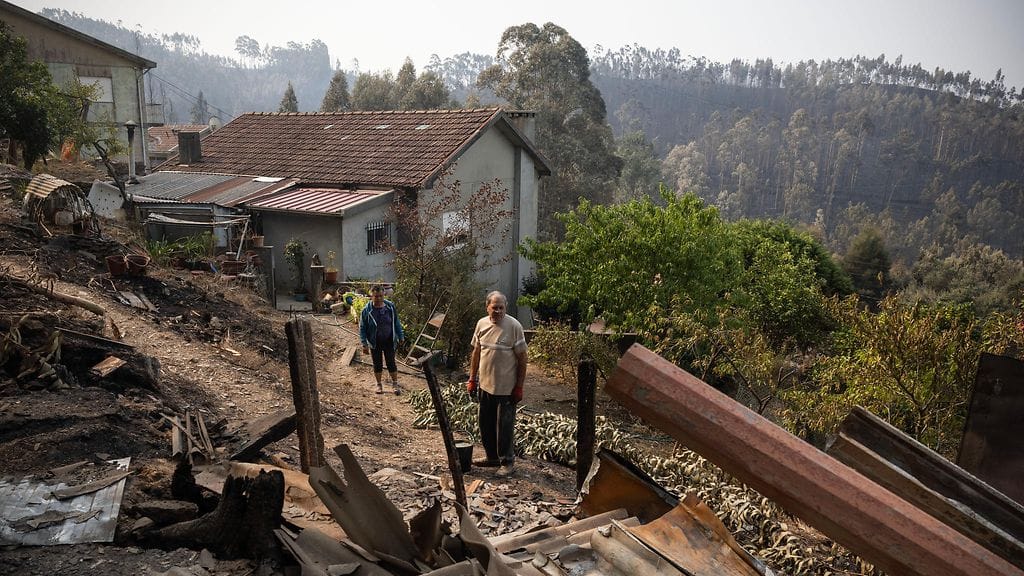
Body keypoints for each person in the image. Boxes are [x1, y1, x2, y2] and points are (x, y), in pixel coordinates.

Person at [466, 291, 527, 477]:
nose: (498, 311)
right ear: (488, 307)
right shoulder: (481, 324)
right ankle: (491, 457)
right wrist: (472, 378)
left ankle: (507, 462)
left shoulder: (514, 326)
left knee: (505, 427)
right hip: (485, 385)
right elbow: (476, 353)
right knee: (485, 423)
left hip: (506, 388)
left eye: (501, 307)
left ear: (505, 308)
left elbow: (523, 358)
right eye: (495, 307)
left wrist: (519, 386)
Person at [359, 285, 405, 395]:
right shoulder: (367, 310)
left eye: (380, 296)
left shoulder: (390, 307)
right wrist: (364, 343)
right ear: (371, 296)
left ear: (384, 295)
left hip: (389, 340)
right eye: (376, 296)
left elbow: (396, 322)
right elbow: (362, 328)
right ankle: (379, 385)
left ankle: (395, 383)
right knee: (377, 363)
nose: (378, 298)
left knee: (391, 363)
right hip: (375, 342)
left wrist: (400, 335)